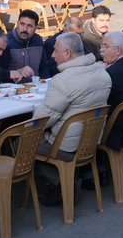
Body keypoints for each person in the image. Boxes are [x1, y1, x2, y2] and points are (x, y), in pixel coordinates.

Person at [33, 32, 111, 204]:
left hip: (66, 146)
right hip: (90, 141)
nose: (52, 55)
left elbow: (43, 120)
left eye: (55, 50)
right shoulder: (102, 73)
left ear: (67, 53)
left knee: (19, 143)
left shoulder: (62, 80)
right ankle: (63, 182)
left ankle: (58, 184)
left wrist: (26, 124)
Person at [4, 9, 46, 77]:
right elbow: (0, 71)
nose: (24, 29)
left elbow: (44, 66)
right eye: (22, 24)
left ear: (36, 28)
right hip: (12, 83)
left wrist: (44, 81)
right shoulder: (6, 42)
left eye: (29, 26)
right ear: (17, 23)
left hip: (36, 82)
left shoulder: (38, 41)